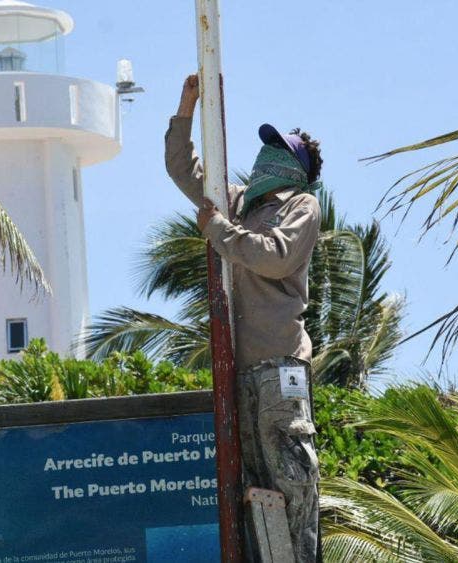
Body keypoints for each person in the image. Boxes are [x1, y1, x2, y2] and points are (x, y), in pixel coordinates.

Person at [165, 74, 322, 563]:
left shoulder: (301, 205)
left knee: (291, 482)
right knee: (254, 488)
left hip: (279, 366)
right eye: (268, 145)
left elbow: (273, 256)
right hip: (240, 371)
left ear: (298, 168)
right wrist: (186, 106)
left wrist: (218, 230)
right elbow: (180, 168)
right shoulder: (235, 200)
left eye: (280, 148)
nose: (268, 154)